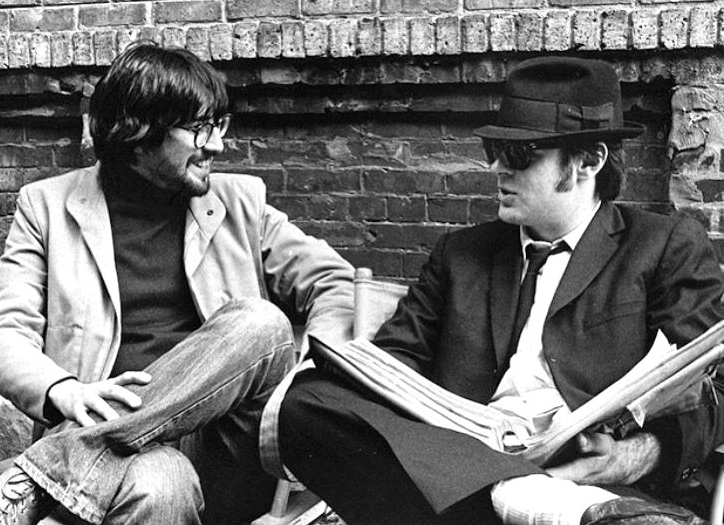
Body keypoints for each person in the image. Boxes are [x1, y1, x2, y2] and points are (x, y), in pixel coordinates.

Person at [275, 57, 724, 525]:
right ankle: (530, 500)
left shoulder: (661, 245)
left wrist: (638, 454)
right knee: (305, 402)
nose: (495, 168)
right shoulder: (460, 254)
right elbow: (393, 366)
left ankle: (532, 500)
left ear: (589, 161)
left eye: (519, 154)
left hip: (592, 484)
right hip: (461, 479)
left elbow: (715, 388)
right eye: (494, 149)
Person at [0, 42, 354, 525]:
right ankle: (75, 459)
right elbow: (0, 335)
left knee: (259, 322)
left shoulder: (240, 203)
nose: (216, 145)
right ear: (138, 133)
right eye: (199, 129)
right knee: (161, 483)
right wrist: (65, 391)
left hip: (224, 447)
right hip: (116, 471)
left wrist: (309, 374)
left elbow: (335, 285)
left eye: (219, 125)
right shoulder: (47, 208)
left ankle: (42, 473)